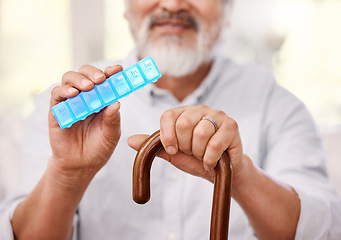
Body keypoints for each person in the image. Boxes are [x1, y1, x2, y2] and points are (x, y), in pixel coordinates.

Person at [1, 0, 341, 239]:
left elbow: (320, 230)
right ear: (126, 6)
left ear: (228, 8)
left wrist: (243, 176)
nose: (173, 3)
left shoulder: (277, 104)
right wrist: (67, 174)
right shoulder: (71, 108)